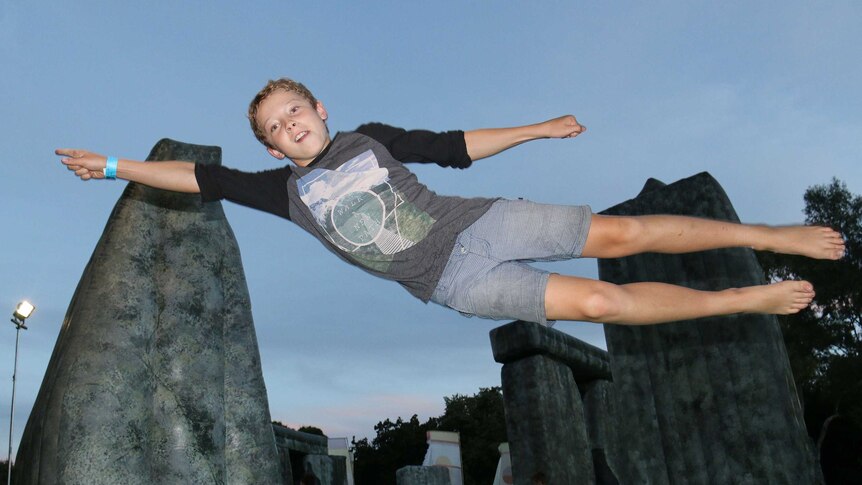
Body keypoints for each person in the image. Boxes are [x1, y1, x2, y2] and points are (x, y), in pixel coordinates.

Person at [57, 78, 845, 327]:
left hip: (484, 221)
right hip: (453, 284)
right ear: (272, 148)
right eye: (275, 128)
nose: (290, 126)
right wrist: (116, 165)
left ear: (320, 110)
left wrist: (537, 129)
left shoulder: (368, 139)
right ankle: (747, 297)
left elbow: (454, 143)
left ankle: (766, 231)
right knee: (603, 301)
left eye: (295, 110)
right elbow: (197, 178)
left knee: (626, 232)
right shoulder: (282, 192)